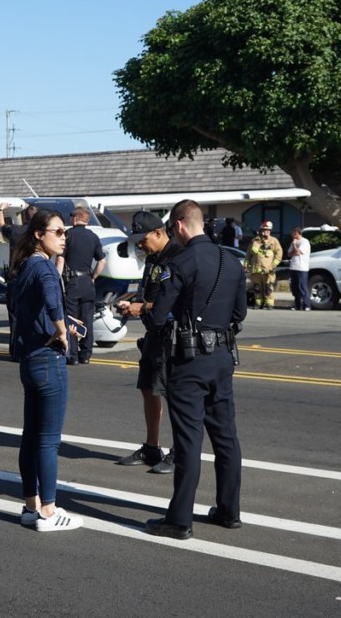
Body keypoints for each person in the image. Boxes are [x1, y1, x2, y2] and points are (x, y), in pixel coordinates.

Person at [145, 199, 247, 540]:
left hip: (189, 361)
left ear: (178, 226)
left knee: (189, 441)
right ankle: (229, 511)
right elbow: (240, 314)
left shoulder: (180, 261)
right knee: (226, 437)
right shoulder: (231, 260)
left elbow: (158, 314)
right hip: (223, 357)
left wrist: (151, 312)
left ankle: (179, 520)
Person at [8, 207, 84, 532]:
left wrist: (63, 323)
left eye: (65, 232)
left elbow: (27, 308)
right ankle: (49, 512)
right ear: (39, 235)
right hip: (48, 360)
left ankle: (31, 506)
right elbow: (52, 301)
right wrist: (62, 331)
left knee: (31, 436)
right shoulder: (45, 268)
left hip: (28, 359)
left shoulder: (24, 266)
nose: (64, 238)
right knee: (49, 440)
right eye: (58, 232)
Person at [114, 211, 180, 475]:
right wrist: (133, 303)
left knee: (173, 394)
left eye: (143, 239)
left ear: (158, 232)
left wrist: (142, 307)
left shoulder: (178, 258)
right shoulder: (154, 259)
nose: (140, 245)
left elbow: (177, 301)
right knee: (149, 388)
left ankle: (180, 451)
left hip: (172, 334)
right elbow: (150, 292)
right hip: (153, 332)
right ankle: (152, 448)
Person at [56, 206, 106, 365]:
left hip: (72, 283)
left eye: (71, 216)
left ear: (76, 218)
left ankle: (73, 355)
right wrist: (93, 277)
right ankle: (86, 355)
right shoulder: (94, 236)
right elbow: (102, 261)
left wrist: (56, 279)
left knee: (71, 319)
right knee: (87, 320)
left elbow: (60, 259)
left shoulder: (68, 235)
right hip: (87, 282)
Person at [245, 220, 283, 309]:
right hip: (255, 270)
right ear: (261, 230)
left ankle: (269, 304)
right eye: (265, 230)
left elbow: (279, 255)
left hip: (268, 270)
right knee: (257, 288)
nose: (267, 231)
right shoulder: (255, 241)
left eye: (268, 230)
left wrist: (273, 266)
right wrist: (245, 265)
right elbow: (248, 254)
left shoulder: (274, 241)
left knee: (268, 288)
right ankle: (258, 304)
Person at [0, 202, 38, 267]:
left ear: (23, 217)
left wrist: (0, 209)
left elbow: (1, 225)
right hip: (33, 268)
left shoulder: (14, 230)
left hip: (15, 270)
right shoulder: (39, 233)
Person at [288, 227, 311, 311]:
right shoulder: (293, 242)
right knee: (295, 288)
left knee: (302, 287)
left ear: (298, 233)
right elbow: (289, 254)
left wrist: (294, 245)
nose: (292, 235)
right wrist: (294, 247)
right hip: (293, 267)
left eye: (294, 233)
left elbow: (298, 252)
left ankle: (306, 305)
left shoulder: (304, 241)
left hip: (302, 268)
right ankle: (297, 305)